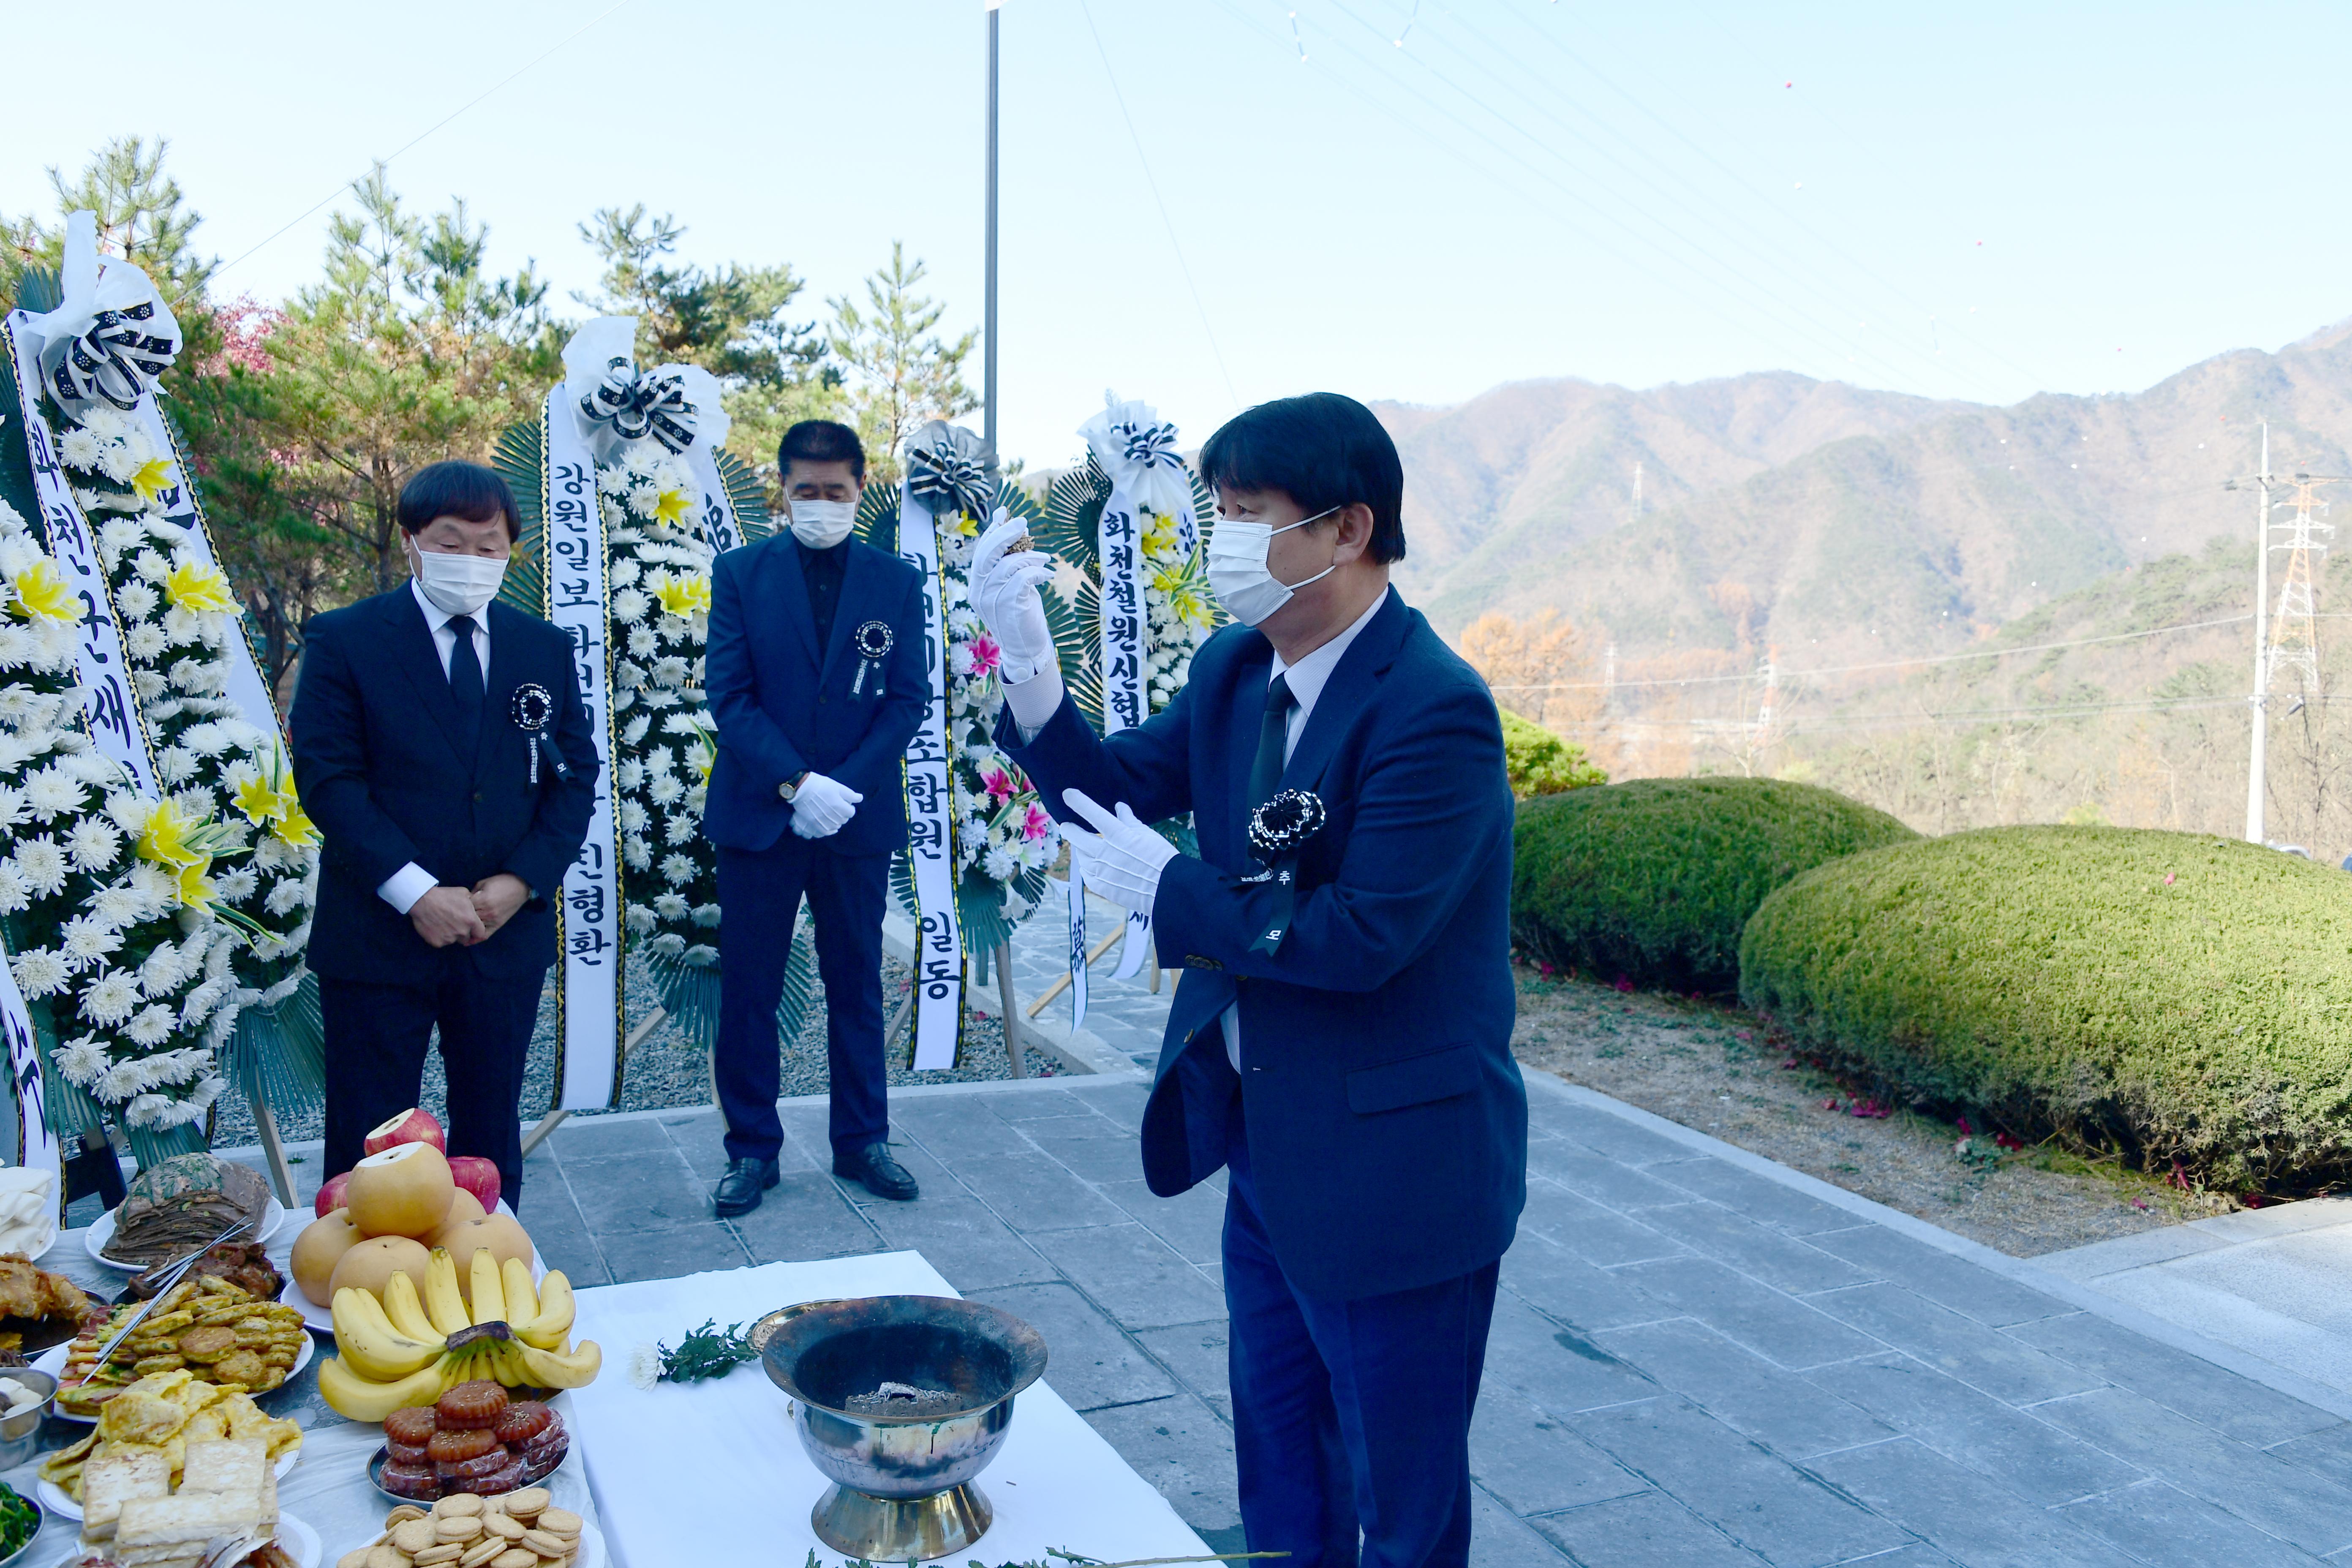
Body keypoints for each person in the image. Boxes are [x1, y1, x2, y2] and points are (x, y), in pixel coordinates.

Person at [969, 393, 1526, 1568]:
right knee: (1282, 1457)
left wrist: (1171, 889)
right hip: (1266, 1140)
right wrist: (1029, 675)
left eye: (1247, 514)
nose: (1222, 538)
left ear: (1344, 530)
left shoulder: (1436, 712)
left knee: (1401, 1493)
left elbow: (1366, 933)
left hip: (1395, 1171)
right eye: (1217, 510)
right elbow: (1111, 796)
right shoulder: (1238, 670)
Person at [291, 460, 599, 1208]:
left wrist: (522, 880)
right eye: (450, 541)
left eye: (488, 546)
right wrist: (415, 891)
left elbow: (575, 777)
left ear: (509, 553)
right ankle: (367, 1291)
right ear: (412, 543)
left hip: (501, 938)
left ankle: (489, 1275)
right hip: (379, 934)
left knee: (489, 1127)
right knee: (370, 1134)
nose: (471, 559)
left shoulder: (542, 649)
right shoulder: (345, 640)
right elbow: (329, 781)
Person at [702, 419, 929, 1215]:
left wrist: (842, 791)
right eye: (808, 491)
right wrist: (799, 785)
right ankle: (751, 1151)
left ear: (860, 492)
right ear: (784, 492)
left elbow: (907, 699)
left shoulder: (896, 582)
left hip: (856, 821)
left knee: (856, 983)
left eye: (837, 492)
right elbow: (728, 696)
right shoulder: (739, 574)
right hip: (761, 817)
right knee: (752, 990)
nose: (822, 503)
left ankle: (863, 1141)